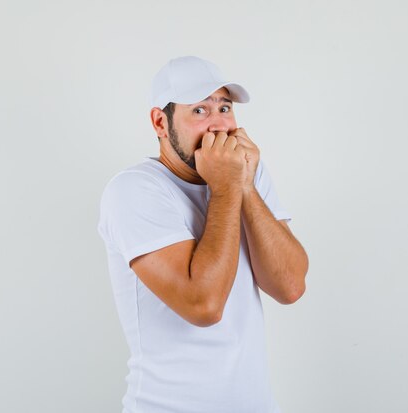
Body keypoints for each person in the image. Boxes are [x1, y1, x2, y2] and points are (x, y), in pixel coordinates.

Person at [97, 56, 309, 413]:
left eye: (224, 107)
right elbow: (204, 305)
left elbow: (289, 286)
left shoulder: (246, 177)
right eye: (199, 110)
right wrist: (227, 188)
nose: (218, 126)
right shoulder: (134, 190)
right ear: (160, 123)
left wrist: (244, 186)